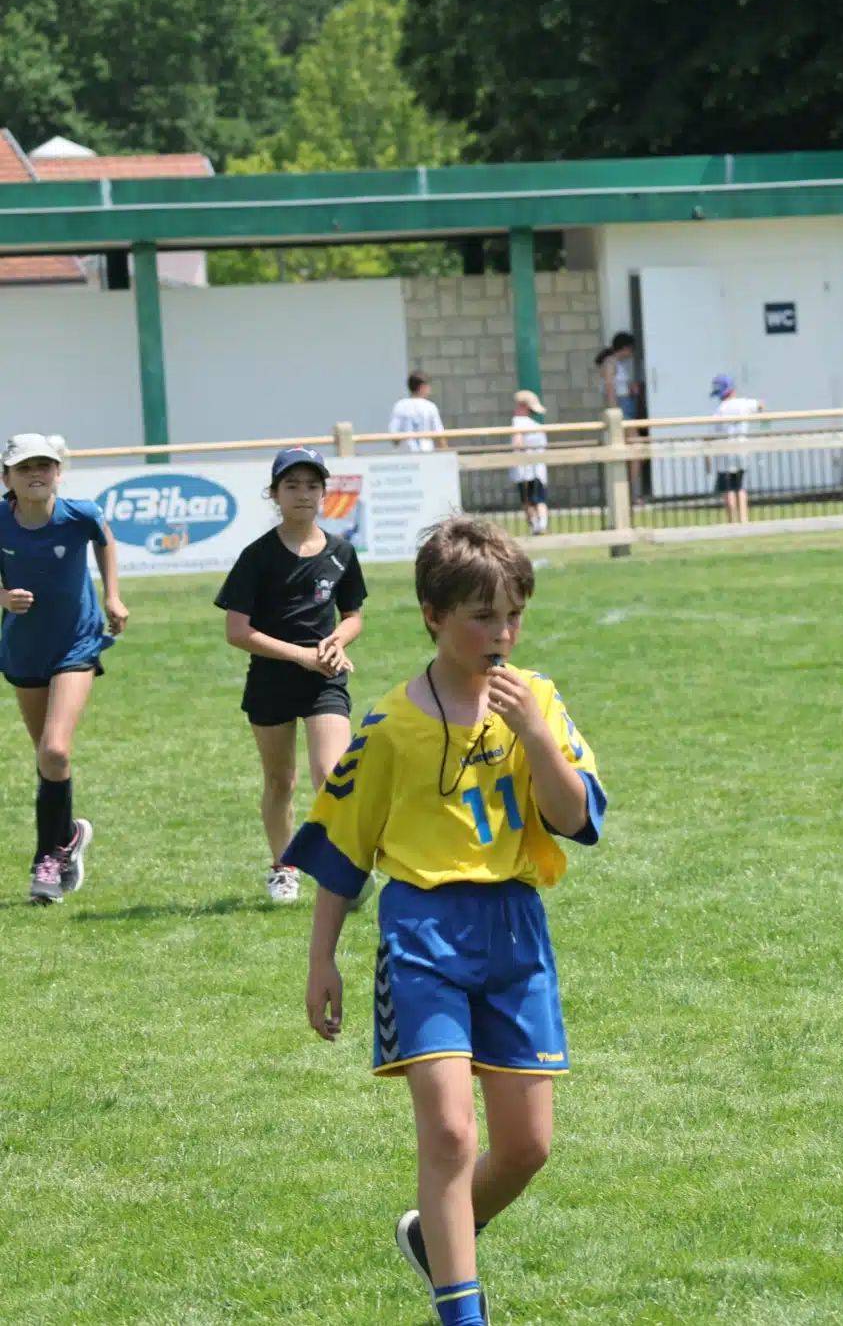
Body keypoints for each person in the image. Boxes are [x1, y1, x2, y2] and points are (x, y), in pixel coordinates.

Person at [289, 518, 606, 1326]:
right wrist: (322, 958)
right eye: (481, 616)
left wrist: (534, 734)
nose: (501, 634)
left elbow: (575, 818)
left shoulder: (537, 701)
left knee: (527, 1145)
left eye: (513, 615)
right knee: (451, 1133)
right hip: (422, 935)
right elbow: (342, 848)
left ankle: (434, 1238)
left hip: (514, 931)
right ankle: (464, 1315)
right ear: (432, 614)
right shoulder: (392, 723)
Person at [215, 447, 368, 904]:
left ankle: (343, 867)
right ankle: (283, 867)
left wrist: (337, 641)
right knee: (281, 781)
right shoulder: (257, 556)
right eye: (292, 485)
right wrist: (300, 656)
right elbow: (237, 632)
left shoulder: (341, 552)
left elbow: (354, 616)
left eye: (312, 485)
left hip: (324, 679)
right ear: (275, 493)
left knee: (333, 775)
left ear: (324, 493)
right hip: (271, 681)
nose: (303, 494)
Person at [0, 434, 124, 906]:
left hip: (76, 644)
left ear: (58, 472)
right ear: (7, 477)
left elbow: (105, 541)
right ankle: (69, 833)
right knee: (47, 761)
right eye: (24, 467)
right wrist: (3, 597)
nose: (36, 473)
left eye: (44, 465)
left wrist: (113, 596)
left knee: (55, 750)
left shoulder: (81, 514)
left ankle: (46, 862)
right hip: (24, 649)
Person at [597, 332, 647, 501]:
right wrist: (615, 413)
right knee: (637, 448)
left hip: (627, 404)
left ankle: (629, 491)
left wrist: (631, 389)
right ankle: (629, 493)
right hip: (621, 408)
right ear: (626, 348)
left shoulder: (619, 363)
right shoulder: (610, 363)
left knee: (635, 450)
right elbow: (609, 387)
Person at [710, 373, 761, 526]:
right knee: (740, 487)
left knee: (728, 489)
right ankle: (744, 520)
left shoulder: (719, 410)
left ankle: (732, 521)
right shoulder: (743, 404)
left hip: (725, 454)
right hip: (741, 451)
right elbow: (760, 405)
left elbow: (710, 434)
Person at [508, 391, 549, 535]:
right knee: (540, 500)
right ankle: (542, 524)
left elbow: (517, 443)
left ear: (524, 407)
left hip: (524, 471)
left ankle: (536, 527)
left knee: (527, 501)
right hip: (538, 469)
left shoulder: (518, 422)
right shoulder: (537, 426)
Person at [390, 373, 446, 453]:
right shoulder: (430, 406)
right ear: (422, 387)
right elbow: (440, 435)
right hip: (426, 452)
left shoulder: (400, 406)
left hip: (405, 453)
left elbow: (394, 434)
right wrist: (445, 452)